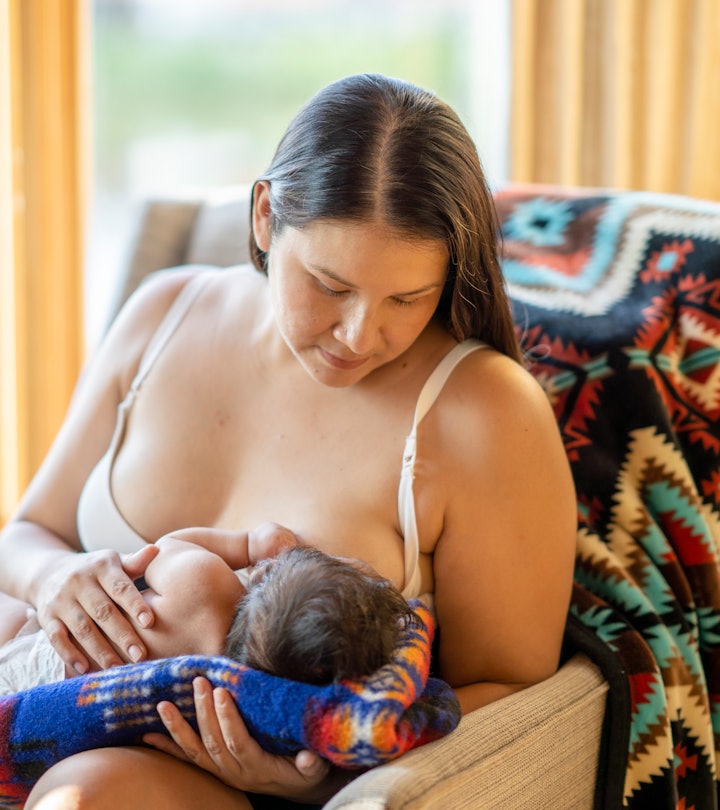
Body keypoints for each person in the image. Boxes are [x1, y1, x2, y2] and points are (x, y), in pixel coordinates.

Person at [0, 73, 577, 808]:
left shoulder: (482, 412)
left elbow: (519, 692)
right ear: (267, 215)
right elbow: (28, 532)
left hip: (217, 783)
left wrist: (323, 777)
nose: (361, 335)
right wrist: (54, 579)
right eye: (330, 285)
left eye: (407, 297)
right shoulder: (164, 314)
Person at [0, 534, 416, 695]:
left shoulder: (204, 585)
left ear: (271, 568)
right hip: (32, 692)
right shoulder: (230, 688)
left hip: (36, 646)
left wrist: (247, 543)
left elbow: (158, 552)